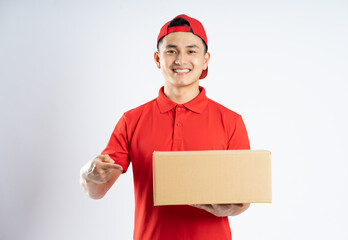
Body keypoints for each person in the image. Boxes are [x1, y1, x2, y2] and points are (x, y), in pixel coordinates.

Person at [80, 14, 251, 240]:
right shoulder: (132, 120)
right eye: (171, 51)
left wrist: (229, 208)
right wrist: (87, 174)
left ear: (206, 59)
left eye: (191, 51)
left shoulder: (230, 121)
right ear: (158, 59)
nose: (181, 60)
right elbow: (97, 190)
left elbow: (243, 199)